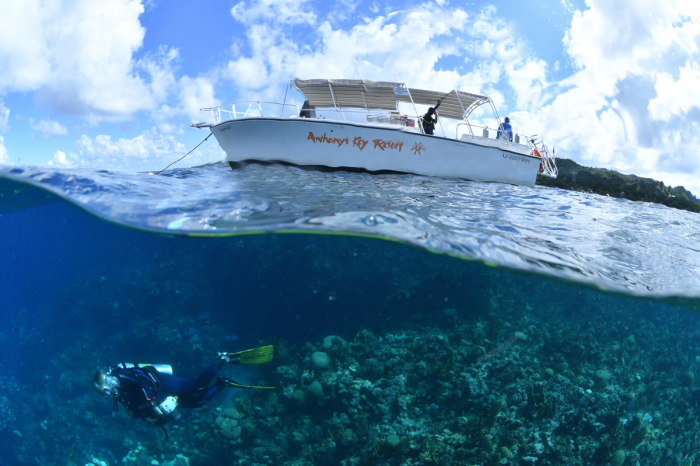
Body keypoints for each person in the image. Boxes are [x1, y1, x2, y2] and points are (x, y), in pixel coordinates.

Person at [93, 346, 274, 438]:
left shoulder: (121, 376)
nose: (106, 395)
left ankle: (222, 359)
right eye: (103, 394)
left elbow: (141, 380)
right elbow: (137, 410)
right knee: (199, 402)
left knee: (196, 386)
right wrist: (154, 415)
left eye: (105, 391)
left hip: (161, 383)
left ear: (107, 382)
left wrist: (153, 404)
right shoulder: (120, 395)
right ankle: (223, 383)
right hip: (161, 398)